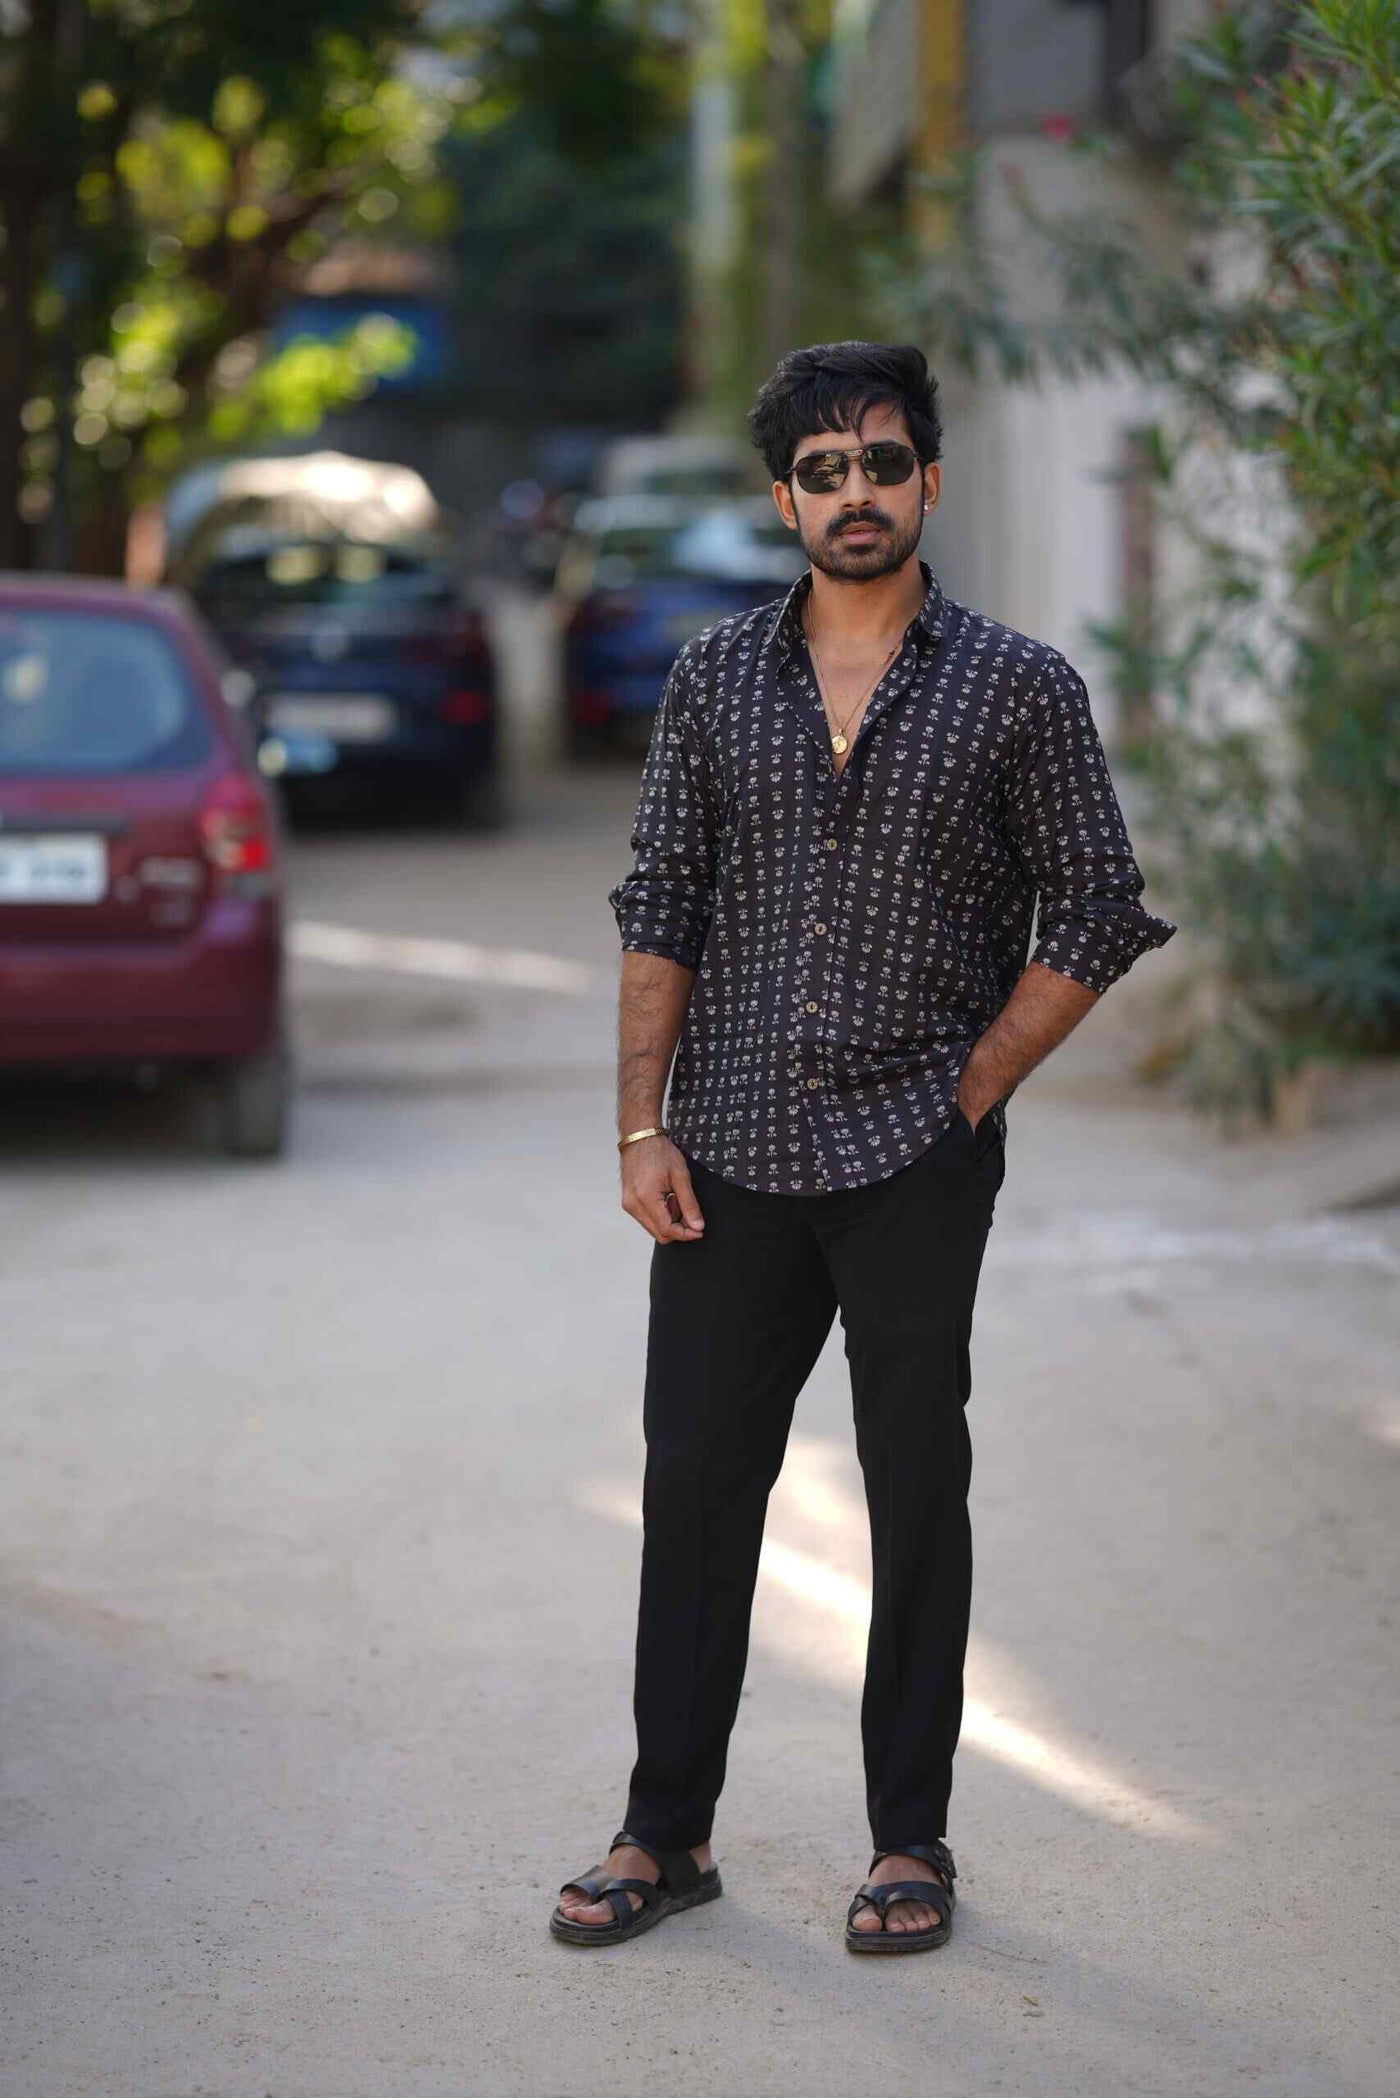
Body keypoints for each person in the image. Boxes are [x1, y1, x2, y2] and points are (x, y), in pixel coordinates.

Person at [550, 341, 1177, 1955]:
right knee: (696, 1484)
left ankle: (911, 1839)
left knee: (912, 1488)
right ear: (785, 499)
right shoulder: (713, 679)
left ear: (929, 482)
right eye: (822, 471)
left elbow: (1098, 908)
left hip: (913, 1155)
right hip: (729, 1148)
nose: (855, 493)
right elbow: (661, 902)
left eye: (882, 463)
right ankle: (665, 1830)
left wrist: (973, 1087)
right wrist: (639, 1122)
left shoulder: (1018, 685)